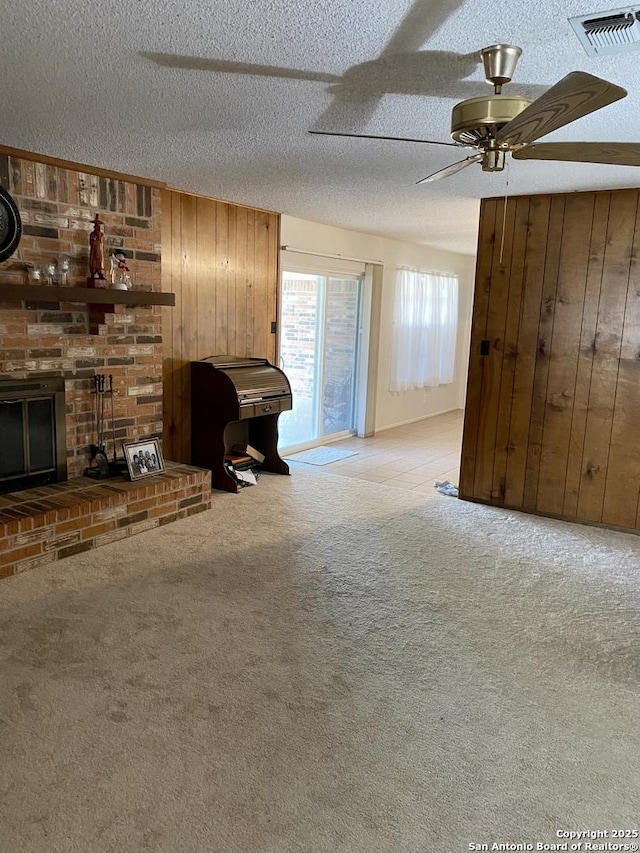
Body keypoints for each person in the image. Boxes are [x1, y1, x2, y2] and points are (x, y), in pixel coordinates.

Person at [89, 215, 105, 280]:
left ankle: (100, 272)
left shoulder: (101, 234)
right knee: (93, 261)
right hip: (94, 250)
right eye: (96, 226)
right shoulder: (92, 234)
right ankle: (93, 272)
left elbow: (102, 241)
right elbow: (91, 242)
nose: (97, 227)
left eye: (98, 226)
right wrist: (94, 241)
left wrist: (98, 238)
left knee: (99, 262)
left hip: (99, 250)